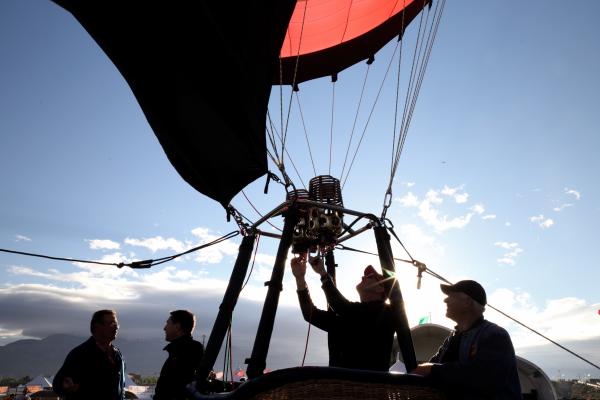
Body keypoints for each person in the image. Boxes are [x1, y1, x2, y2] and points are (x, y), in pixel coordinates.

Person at [411, 280, 522, 400]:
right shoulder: (451, 340)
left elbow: (484, 378)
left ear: (467, 302)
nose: (445, 300)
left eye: (451, 296)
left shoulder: (495, 335)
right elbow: (431, 367)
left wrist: (431, 370)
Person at [290, 252, 395, 371]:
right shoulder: (351, 318)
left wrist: (323, 274)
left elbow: (341, 306)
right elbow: (311, 315)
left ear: (380, 288)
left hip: (369, 385)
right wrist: (300, 278)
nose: (363, 277)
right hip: (341, 385)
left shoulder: (385, 313)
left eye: (370, 276)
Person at [53, 309, 125, 400]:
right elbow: (58, 386)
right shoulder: (80, 354)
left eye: (116, 324)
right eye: (111, 324)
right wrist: (68, 387)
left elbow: (121, 389)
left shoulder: (118, 355)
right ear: (97, 326)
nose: (116, 327)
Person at [154, 310, 205, 400]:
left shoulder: (188, 351)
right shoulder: (181, 351)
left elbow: (176, 387)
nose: (164, 328)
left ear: (177, 327)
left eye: (168, 323)